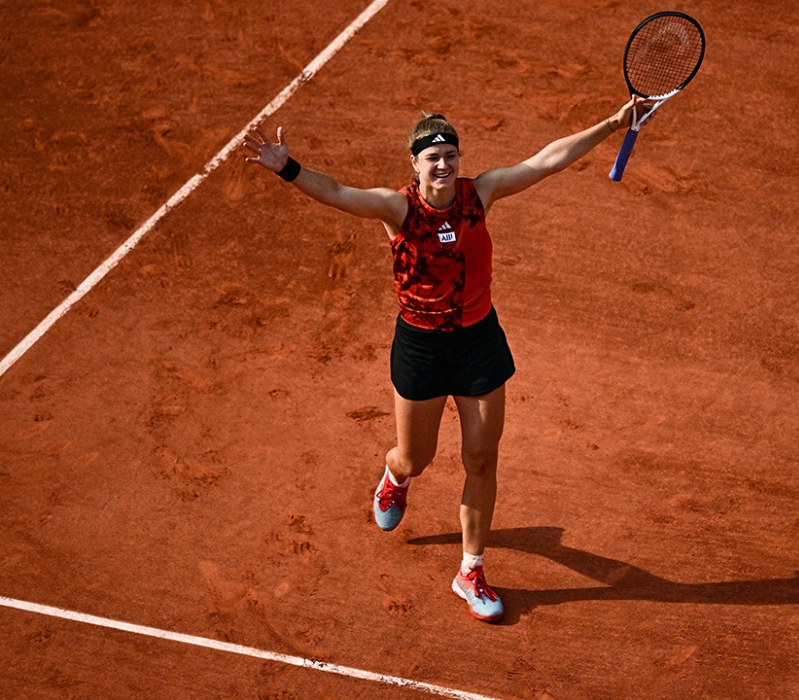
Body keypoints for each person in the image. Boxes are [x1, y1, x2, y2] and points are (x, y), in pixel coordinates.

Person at [243, 96, 649, 623]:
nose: (443, 163)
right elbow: (338, 193)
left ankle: (470, 569)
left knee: (482, 458)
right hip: (422, 348)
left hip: (478, 341)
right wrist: (288, 169)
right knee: (417, 456)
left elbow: (547, 160)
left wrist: (613, 124)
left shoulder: (480, 193)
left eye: (451, 155)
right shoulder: (398, 209)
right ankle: (395, 476)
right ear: (414, 163)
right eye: (432, 156)